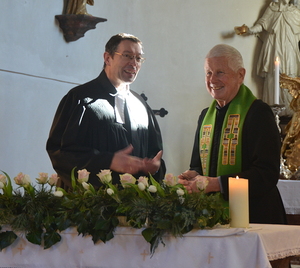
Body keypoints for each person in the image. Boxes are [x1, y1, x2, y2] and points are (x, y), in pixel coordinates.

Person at [179, 44, 286, 224]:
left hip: (256, 217)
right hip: (213, 217)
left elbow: (266, 174)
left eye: (220, 72)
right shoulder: (206, 116)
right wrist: (191, 176)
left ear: (240, 75)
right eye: (208, 73)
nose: (212, 79)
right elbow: (198, 166)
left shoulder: (258, 113)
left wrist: (216, 184)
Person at [46, 33, 165, 188]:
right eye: (127, 55)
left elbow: (156, 154)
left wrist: (153, 168)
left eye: (138, 58)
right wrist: (108, 161)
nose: (134, 63)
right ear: (107, 58)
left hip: (133, 204)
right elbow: (60, 153)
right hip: (89, 204)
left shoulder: (141, 105)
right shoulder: (81, 99)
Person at [236, 0, 300, 114]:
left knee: (290, 75)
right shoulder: (272, 8)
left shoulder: (294, 12)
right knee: (273, 74)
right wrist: (249, 30)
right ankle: (272, 110)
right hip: (274, 46)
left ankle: (290, 112)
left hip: (289, 48)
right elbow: (262, 24)